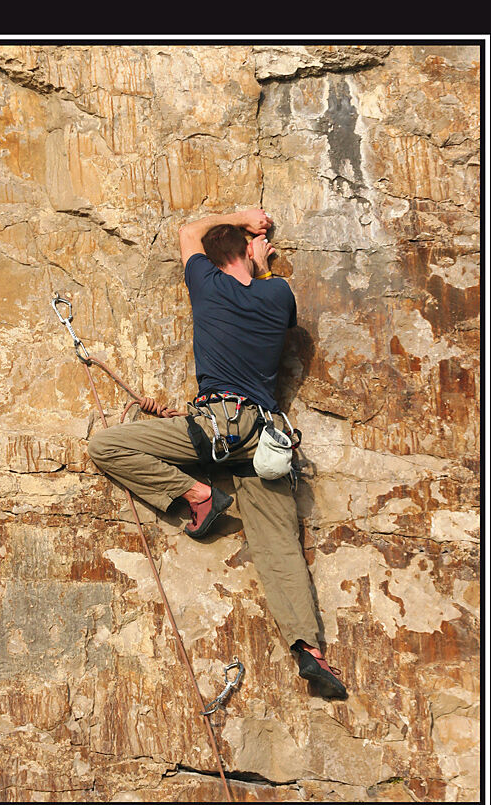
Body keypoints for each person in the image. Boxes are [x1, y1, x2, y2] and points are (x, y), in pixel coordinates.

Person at [87, 208, 347, 700]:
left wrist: (240, 217)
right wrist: (262, 263)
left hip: (215, 427)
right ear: (249, 252)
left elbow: (187, 231)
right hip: (263, 437)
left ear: (215, 258)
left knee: (107, 445)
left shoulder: (207, 285)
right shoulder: (278, 295)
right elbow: (264, 290)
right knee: (279, 547)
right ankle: (310, 652)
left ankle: (199, 495)